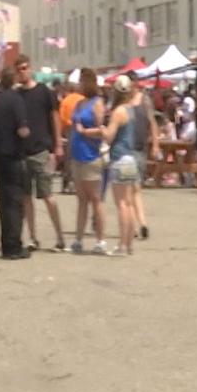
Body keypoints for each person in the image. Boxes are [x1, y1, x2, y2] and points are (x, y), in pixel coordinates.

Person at [13, 56, 65, 253]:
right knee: (26, 198)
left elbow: (55, 118)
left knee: (48, 195)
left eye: (25, 68)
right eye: (19, 69)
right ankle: (33, 237)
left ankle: (60, 237)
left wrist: (58, 145)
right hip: (22, 152)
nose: (22, 72)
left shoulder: (43, 91)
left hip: (41, 150)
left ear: (30, 68)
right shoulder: (16, 94)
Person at [91, 76, 140, 256]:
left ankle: (122, 244)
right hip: (130, 158)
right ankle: (129, 244)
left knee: (121, 204)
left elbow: (109, 136)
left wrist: (102, 129)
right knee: (129, 203)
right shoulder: (131, 109)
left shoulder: (118, 111)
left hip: (119, 158)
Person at [0, 67, 31, 260]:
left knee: (3, 201)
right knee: (16, 202)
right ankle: (15, 245)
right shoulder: (16, 100)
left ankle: (6, 245)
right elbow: (22, 129)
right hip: (14, 155)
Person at [68, 68, 108, 254]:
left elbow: (102, 130)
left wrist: (84, 131)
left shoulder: (97, 103)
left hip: (91, 156)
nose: (79, 85)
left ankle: (100, 240)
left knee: (95, 199)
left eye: (82, 81)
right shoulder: (79, 103)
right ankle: (78, 239)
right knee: (81, 199)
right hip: (77, 155)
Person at [129, 73, 161, 236]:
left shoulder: (145, 100)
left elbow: (153, 123)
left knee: (135, 188)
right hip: (126, 150)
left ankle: (139, 224)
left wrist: (155, 145)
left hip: (139, 149)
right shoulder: (123, 100)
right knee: (132, 187)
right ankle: (138, 224)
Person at [58, 78, 83, 194]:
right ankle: (78, 184)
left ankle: (67, 183)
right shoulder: (83, 100)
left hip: (69, 130)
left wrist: (61, 132)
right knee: (79, 158)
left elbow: (62, 118)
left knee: (68, 158)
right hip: (82, 130)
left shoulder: (65, 101)